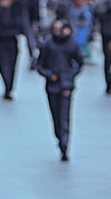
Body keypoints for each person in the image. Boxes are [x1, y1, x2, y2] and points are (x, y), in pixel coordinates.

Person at [35, 19, 82, 161]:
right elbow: (40, 64)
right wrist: (50, 75)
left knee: (64, 116)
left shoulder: (71, 44)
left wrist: (70, 75)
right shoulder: (48, 44)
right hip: (52, 86)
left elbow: (79, 62)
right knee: (55, 116)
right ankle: (59, 137)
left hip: (66, 85)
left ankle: (65, 142)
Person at [0, 0, 36, 100]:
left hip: (12, 39)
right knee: (3, 63)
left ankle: (9, 86)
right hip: (2, 39)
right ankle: (6, 83)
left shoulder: (17, 9)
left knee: (12, 63)